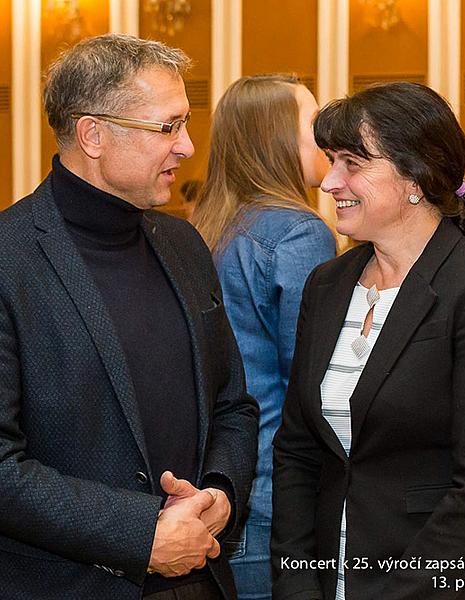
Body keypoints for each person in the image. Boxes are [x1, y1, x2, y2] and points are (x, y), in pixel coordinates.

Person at [0, 34, 258, 600]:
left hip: (200, 576)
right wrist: (141, 534)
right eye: (168, 127)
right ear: (93, 134)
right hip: (63, 585)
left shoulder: (183, 244)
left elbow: (233, 403)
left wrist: (220, 493)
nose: (186, 146)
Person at [270, 82, 465, 600]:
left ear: (415, 175)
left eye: (352, 162)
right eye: (330, 161)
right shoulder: (328, 285)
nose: (329, 182)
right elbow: (299, 452)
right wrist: (298, 583)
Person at [191, 74, 336, 600]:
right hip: (277, 485)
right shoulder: (299, 231)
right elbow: (312, 374)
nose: (327, 137)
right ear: (277, 137)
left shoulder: (213, 225)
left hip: (222, 476)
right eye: (314, 122)